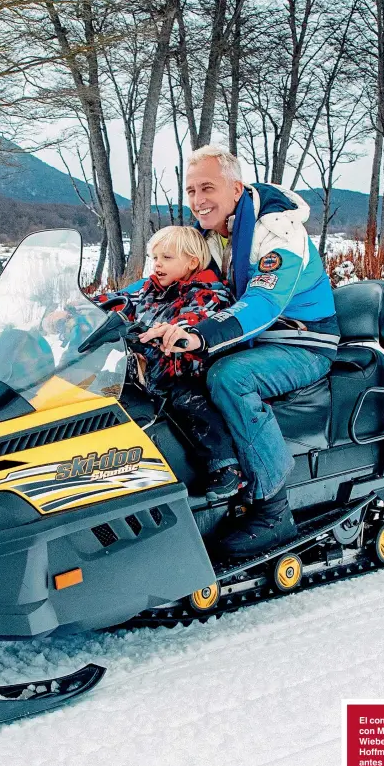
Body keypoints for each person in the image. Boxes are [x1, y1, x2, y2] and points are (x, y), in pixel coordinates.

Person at [141, 146, 339, 556]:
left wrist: (200, 334)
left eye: (208, 188)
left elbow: (264, 302)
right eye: (192, 190)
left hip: (301, 341)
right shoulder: (219, 232)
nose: (198, 200)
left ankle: (273, 508)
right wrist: (95, 309)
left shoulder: (278, 234)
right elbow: (177, 278)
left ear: (236, 188)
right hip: (255, 339)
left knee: (229, 377)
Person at [95, 225, 243, 501]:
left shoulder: (207, 292)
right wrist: (82, 309)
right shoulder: (151, 290)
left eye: (166, 258)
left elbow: (195, 319)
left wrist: (172, 332)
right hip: (147, 372)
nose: (158, 264)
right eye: (154, 258)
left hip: (187, 372)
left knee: (187, 401)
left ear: (192, 262)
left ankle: (225, 466)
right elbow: (121, 302)